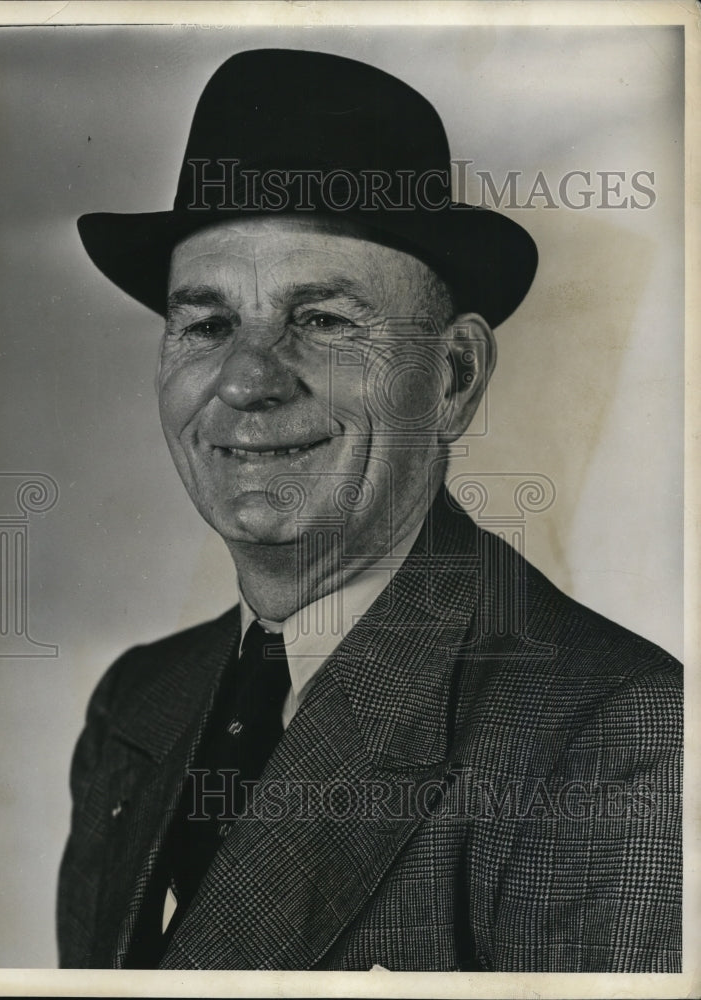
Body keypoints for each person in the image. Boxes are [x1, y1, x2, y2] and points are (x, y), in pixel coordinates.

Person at [57, 48, 682, 972]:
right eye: (207, 323)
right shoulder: (138, 701)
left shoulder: (613, 733)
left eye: (323, 320)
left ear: (453, 379)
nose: (247, 380)